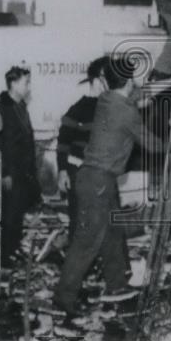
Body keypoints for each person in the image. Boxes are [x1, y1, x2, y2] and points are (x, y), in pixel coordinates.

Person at [54, 55, 165, 319]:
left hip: (96, 179)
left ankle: (116, 284)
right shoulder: (124, 111)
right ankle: (63, 297)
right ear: (128, 80)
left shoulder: (107, 99)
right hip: (97, 182)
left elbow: (136, 93)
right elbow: (152, 144)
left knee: (113, 232)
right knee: (87, 242)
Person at [0, 66, 42, 266]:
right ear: (13, 83)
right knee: (8, 217)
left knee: (17, 215)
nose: (29, 86)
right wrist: (4, 173)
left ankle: (13, 250)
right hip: (9, 174)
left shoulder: (21, 107)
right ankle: (5, 259)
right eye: (25, 82)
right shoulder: (0, 109)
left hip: (22, 174)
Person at [56, 55, 110, 240]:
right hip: (79, 174)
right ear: (96, 81)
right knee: (79, 222)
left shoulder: (110, 107)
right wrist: (62, 171)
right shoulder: (78, 109)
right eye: (106, 78)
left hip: (101, 175)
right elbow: (63, 142)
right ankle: (77, 267)